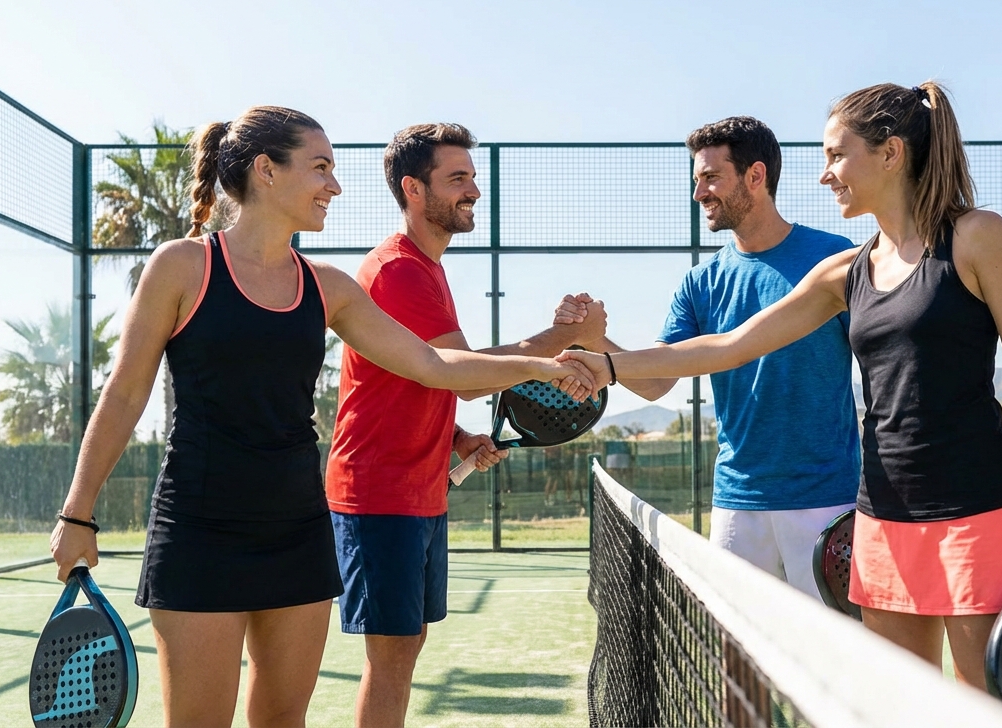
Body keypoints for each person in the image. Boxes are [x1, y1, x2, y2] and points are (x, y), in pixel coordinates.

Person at [49, 107, 597, 728]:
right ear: (266, 171)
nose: (335, 186)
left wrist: (545, 366)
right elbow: (124, 394)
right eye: (320, 168)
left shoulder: (328, 285)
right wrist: (77, 512)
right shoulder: (182, 266)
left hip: (297, 529)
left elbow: (431, 365)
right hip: (198, 530)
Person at [560, 83, 1002, 689]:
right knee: (895, 703)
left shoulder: (977, 237)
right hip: (882, 519)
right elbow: (731, 345)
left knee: (984, 706)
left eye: (837, 156)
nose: (825, 175)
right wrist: (607, 364)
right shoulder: (844, 272)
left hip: (979, 512)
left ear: (890, 153)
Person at [323, 122, 607, 728]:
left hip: (418, 492)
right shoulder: (398, 270)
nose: (473, 190)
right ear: (414, 189)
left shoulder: (428, 269)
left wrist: (454, 440)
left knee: (407, 645)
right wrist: (564, 340)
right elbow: (468, 376)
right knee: (393, 655)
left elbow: (415, 377)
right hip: (379, 494)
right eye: (458, 179)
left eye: (473, 178)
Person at [555, 116, 860, 598]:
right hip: (737, 503)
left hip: (827, 500)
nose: (699, 193)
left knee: (832, 660)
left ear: (755, 176)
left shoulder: (834, 258)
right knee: (735, 665)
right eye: (696, 180)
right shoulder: (701, 282)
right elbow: (656, 379)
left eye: (711, 177)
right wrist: (598, 343)